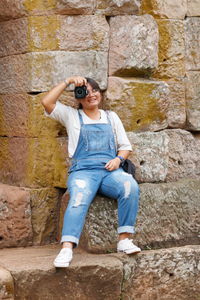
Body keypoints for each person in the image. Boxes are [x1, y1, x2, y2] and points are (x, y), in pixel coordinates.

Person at [41, 76, 141, 268]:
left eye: (94, 90)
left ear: (100, 94)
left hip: (109, 171)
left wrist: (118, 159)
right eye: (85, 92)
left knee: (130, 186)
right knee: (78, 197)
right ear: (78, 98)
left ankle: (124, 240)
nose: (91, 95)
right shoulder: (71, 116)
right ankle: (67, 248)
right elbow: (47, 102)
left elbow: (125, 146)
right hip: (83, 172)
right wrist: (67, 81)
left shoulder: (111, 117)